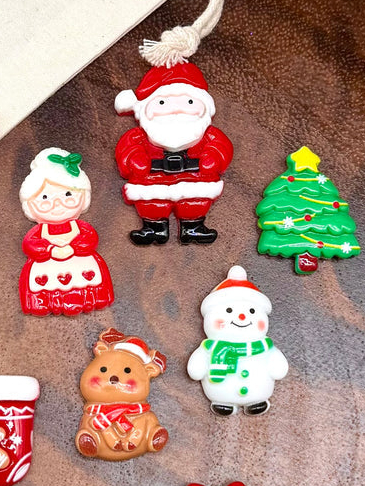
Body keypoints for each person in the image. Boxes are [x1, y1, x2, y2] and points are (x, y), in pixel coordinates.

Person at [114, 61, 233, 245]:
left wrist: (213, 157)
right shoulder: (140, 135)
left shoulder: (207, 134)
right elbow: (127, 147)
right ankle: (154, 228)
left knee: (194, 202)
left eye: (189, 102)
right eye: (162, 102)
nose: (177, 108)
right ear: (145, 108)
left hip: (194, 178)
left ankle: (192, 227)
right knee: (152, 204)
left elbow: (221, 145)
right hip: (152, 179)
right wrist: (135, 159)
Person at [19, 148, 114, 316]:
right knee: (46, 285)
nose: (57, 203)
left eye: (68, 194)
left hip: (81, 262)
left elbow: (90, 238)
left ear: (83, 197)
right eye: (45, 197)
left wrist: (73, 248)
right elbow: (29, 245)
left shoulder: (80, 226)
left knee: (87, 282)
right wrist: (50, 250)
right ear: (30, 205)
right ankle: (46, 303)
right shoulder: (39, 230)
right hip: (47, 267)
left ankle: (89, 299)